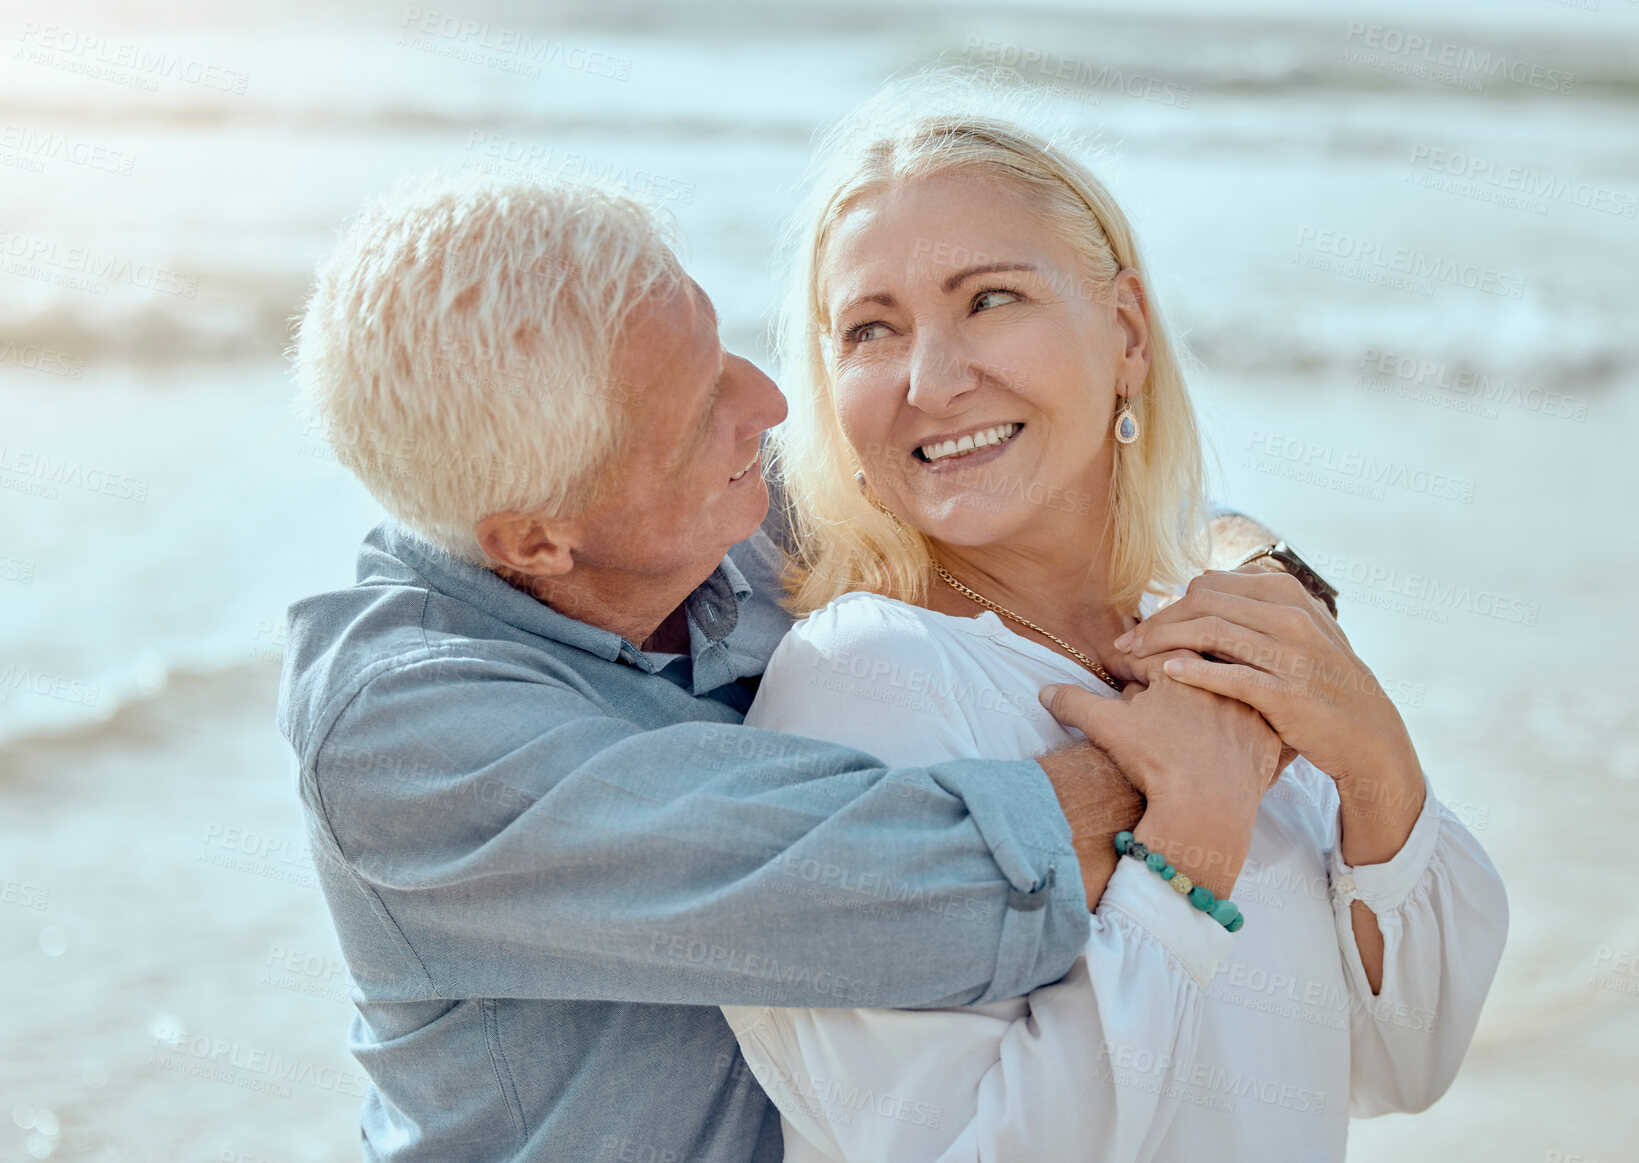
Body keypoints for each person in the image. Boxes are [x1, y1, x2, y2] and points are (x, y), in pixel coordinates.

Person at [278, 170, 1284, 1161]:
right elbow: (906, 888)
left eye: (716, 347)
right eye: (694, 412)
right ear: (536, 541)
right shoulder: (407, 745)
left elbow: (1076, 503)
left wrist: (1261, 576)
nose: (765, 403)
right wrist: (1191, 750)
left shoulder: (710, 508)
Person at [720, 107, 1510, 1161]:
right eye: (872, 328)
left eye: (990, 298)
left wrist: (1377, 763)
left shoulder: (1209, 633)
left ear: (1127, 333)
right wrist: (1188, 843)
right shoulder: (863, 679)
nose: (931, 378)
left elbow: (1405, 1060)